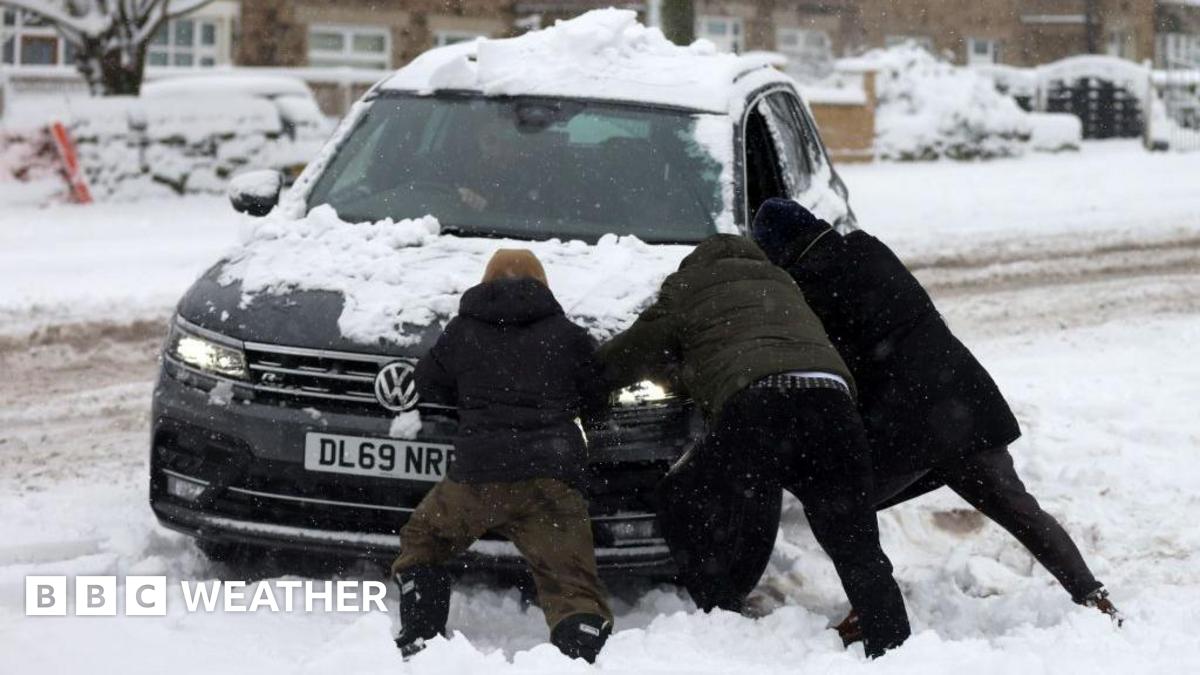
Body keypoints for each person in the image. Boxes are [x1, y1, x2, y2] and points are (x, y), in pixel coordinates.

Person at [750, 198, 1123, 644]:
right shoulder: (869, 249)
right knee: (1020, 511)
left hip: (910, 429)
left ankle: (871, 610)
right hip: (965, 403)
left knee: (836, 506)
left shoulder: (808, 288)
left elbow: (831, 366)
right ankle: (1093, 596)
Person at [598, 234, 911, 659]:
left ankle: (721, 611)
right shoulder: (781, 281)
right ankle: (894, 646)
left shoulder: (689, 286)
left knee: (681, 497)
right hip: (833, 403)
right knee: (854, 539)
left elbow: (631, 352)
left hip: (761, 403)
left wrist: (582, 379)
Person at [391, 249, 613, 663]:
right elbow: (598, 395)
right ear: (544, 284)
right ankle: (580, 642)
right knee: (571, 579)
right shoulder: (567, 335)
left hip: (477, 476)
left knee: (424, 540)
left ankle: (422, 633)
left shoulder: (462, 331)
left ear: (485, 282)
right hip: (551, 475)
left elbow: (428, 384)